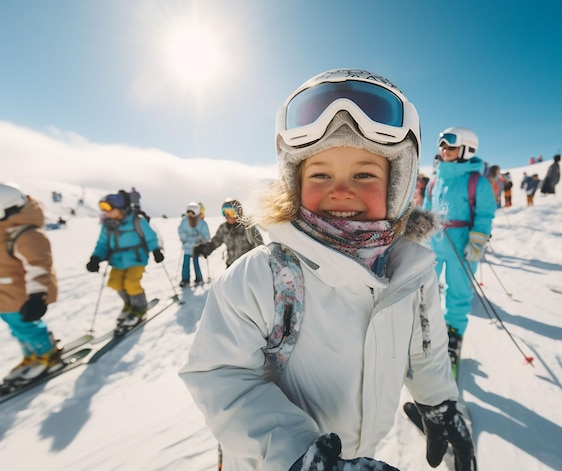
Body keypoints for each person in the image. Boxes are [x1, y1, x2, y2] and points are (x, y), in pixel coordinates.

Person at [180, 69, 475, 470]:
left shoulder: (410, 272)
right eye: (320, 174)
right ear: (294, 183)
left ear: (397, 184)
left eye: (363, 174)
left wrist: (438, 397)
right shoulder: (263, 277)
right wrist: (297, 455)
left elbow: (423, 347)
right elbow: (221, 375)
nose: (341, 189)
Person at [422, 127, 497, 371]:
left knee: (458, 292)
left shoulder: (477, 182)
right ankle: (427, 328)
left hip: (461, 247)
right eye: (442, 146)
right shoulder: (433, 181)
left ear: (466, 149)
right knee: (426, 290)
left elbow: (485, 214)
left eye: (450, 146)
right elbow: (425, 211)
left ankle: (452, 334)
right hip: (434, 245)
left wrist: (477, 241)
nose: (444, 150)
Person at [0, 182, 62, 383]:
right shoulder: (3, 232)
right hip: (5, 297)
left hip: (20, 296)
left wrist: (38, 296)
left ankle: (47, 355)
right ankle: (31, 356)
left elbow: (39, 267)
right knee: (18, 329)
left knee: (28, 327)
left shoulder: (26, 235)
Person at [86, 190, 164, 327]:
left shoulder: (137, 221)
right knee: (115, 283)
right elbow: (102, 244)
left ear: (120, 208)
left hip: (137, 258)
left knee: (131, 283)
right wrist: (96, 258)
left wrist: (156, 250)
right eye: (103, 209)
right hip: (117, 260)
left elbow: (150, 237)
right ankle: (129, 305)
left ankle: (139, 309)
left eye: (109, 209)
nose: (106, 213)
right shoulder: (108, 226)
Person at [193, 198, 263, 268]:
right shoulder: (224, 229)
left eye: (231, 212)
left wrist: (260, 262)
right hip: (231, 267)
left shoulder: (248, 227)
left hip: (247, 267)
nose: (228, 216)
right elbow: (214, 242)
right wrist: (203, 249)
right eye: (225, 213)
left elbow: (260, 246)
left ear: (239, 212)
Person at [178, 202, 210, 287]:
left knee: (196, 263)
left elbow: (206, 235)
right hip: (187, 247)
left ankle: (199, 278)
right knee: (185, 264)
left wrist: (201, 241)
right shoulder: (184, 221)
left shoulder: (201, 222)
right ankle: (185, 279)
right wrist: (184, 238)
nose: (190, 214)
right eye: (188, 212)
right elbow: (181, 231)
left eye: (192, 212)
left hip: (196, 248)